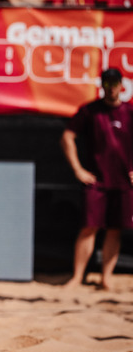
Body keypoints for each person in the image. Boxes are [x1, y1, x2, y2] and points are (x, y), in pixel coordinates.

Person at [61, 68, 133, 291]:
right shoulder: (90, 111)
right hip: (97, 181)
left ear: (122, 85)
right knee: (89, 228)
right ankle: (77, 277)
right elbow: (67, 137)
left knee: (115, 229)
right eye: (107, 84)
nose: (111, 88)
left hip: (123, 182)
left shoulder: (130, 112)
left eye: (115, 84)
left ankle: (106, 279)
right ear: (102, 85)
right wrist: (77, 169)